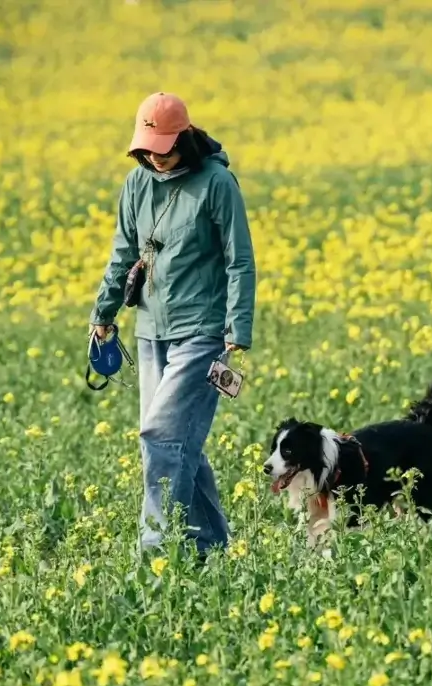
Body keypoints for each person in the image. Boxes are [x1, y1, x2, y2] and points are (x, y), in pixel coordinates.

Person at [89, 92, 256, 558]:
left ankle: (156, 553)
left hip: (202, 332)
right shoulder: (136, 185)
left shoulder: (217, 183)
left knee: (161, 439)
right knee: (181, 446)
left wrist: (236, 330)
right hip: (150, 332)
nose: (157, 159)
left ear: (185, 137)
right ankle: (212, 549)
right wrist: (103, 314)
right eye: (148, 150)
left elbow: (239, 259)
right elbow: (123, 254)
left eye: (165, 149)